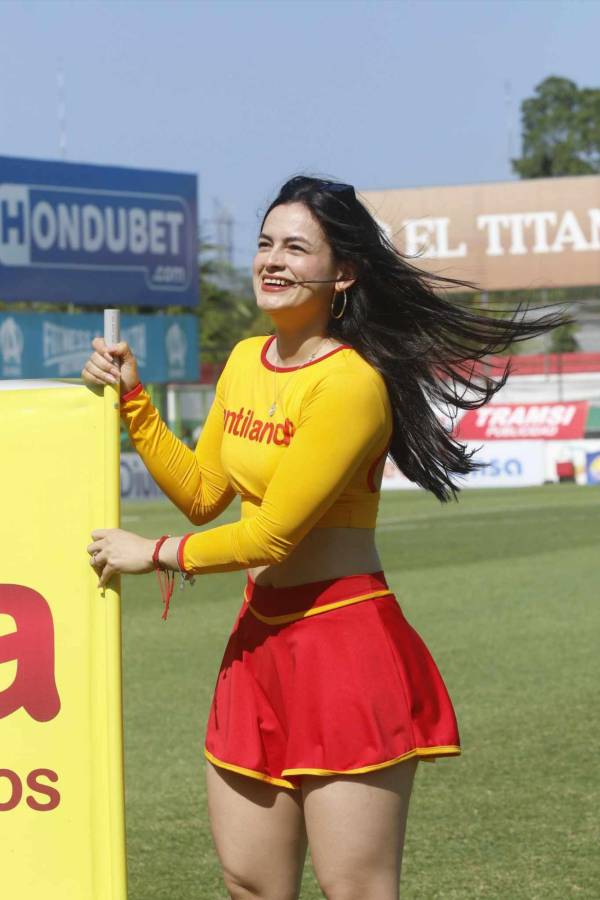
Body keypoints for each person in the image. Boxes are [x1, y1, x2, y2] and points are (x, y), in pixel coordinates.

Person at [82, 176, 563, 900]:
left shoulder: (350, 385)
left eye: (296, 247)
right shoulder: (244, 360)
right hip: (257, 642)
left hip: (344, 644)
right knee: (250, 882)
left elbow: (272, 536)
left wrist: (152, 553)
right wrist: (136, 403)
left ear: (343, 274)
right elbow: (205, 495)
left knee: (355, 888)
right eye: (265, 243)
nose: (272, 260)